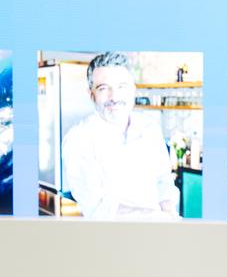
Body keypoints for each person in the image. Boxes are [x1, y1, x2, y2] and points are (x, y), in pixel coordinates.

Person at [61, 52, 179, 220]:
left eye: (121, 86)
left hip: (155, 234)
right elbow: (97, 207)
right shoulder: (77, 140)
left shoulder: (150, 128)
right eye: (103, 88)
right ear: (91, 94)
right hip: (109, 240)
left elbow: (163, 179)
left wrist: (168, 210)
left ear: (133, 90)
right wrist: (155, 217)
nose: (114, 97)